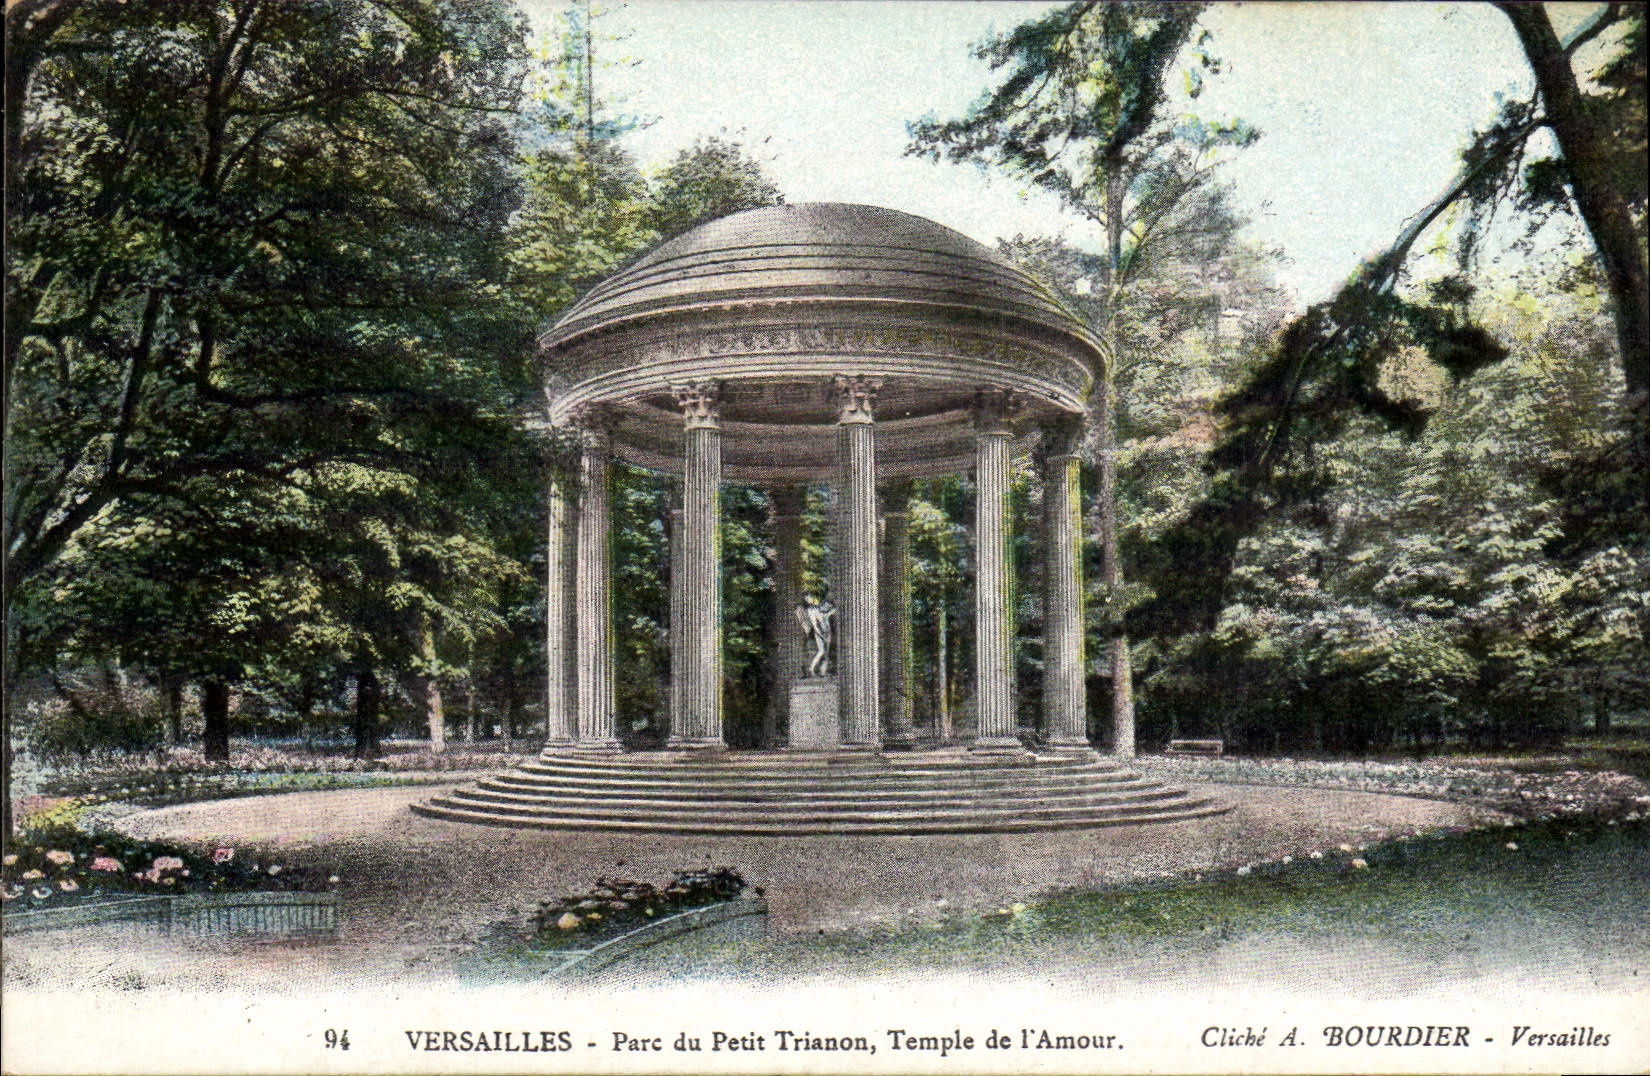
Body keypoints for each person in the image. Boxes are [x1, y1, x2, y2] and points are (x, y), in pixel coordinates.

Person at [795, 594, 835, 678]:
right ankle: (811, 669)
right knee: (821, 651)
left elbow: (827, 615)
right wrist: (820, 633)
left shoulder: (818, 610)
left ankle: (823, 671)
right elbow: (815, 624)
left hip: (825, 632)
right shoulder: (811, 610)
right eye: (808, 597)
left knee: (825, 652)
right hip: (818, 633)